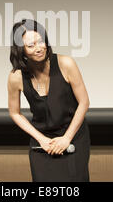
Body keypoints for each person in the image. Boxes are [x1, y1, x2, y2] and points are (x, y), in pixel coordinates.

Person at [7, 18, 91, 182]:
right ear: (20, 50)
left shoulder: (66, 63)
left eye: (40, 41)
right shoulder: (15, 77)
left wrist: (66, 138)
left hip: (73, 135)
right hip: (43, 140)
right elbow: (15, 113)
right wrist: (41, 139)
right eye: (30, 46)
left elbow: (84, 102)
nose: (38, 48)